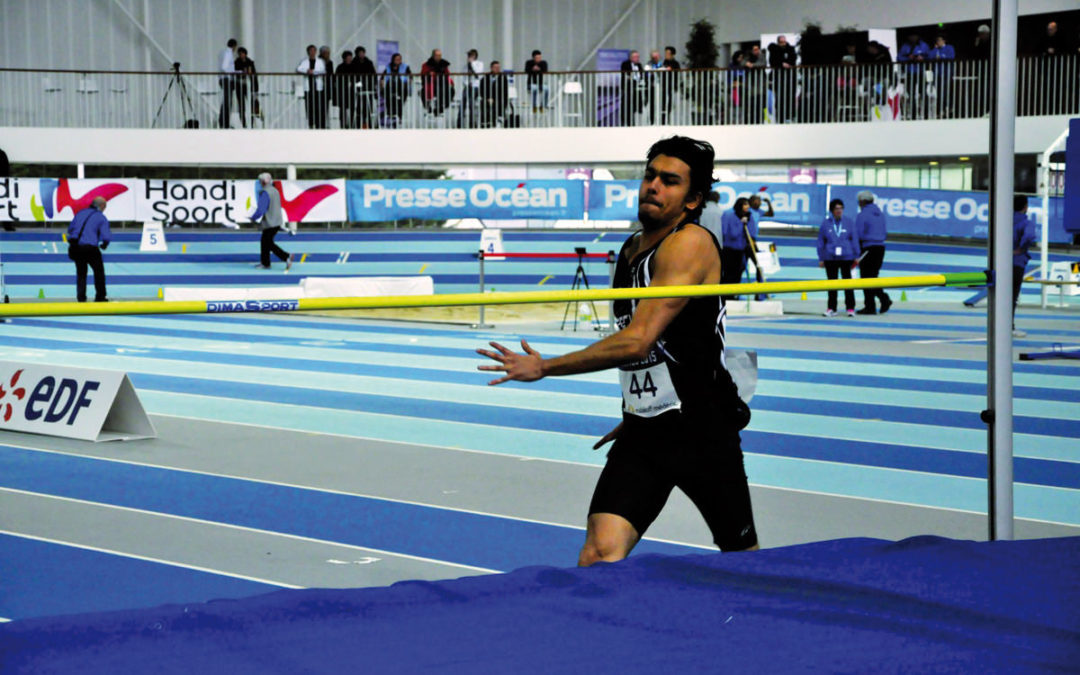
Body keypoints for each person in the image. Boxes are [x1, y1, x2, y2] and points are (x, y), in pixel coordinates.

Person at [477, 136, 758, 565]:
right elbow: (650, 351)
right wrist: (636, 411)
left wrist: (546, 367)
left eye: (669, 181)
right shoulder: (630, 249)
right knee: (599, 552)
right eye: (649, 176)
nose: (653, 187)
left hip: (702, 431)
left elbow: (638, 340)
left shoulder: (690, 243)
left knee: (743, 559)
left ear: (693, 198)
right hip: (645, 432)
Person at [817, 198, 859, 317]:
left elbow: (854, 239)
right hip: (830, 257)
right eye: (836, 208)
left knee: (848, 283)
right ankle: (831, 308)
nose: (839, 211)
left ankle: (850, 308)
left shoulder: (849, 222)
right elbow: (820, 241)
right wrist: (821, 258)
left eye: (841, 208)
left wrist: (857, 255)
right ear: (832, 210)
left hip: (846, 257)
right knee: (832, 284)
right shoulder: (826, 224)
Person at [854, 191, 892, 315]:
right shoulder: (880, 214)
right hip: (880, 247)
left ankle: (873, 304)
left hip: (868, 248)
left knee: (866, 278)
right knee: (873, 276)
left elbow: (858, 234)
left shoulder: (863, 215)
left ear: (862, 201)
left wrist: (855, 251)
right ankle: (881, 299)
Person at [67, 196, 111, 302]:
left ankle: (81, 297)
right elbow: (106, 236)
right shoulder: (100, 217)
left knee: (81, 273)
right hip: (90, 248)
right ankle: (100, 296)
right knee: (99, 272)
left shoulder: (80, 213)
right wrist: (104, 244)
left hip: (76, 247)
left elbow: (70, 229)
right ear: (102, 206)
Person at [250, 173, 292, 271]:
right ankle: (266, 263)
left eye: (260, 181)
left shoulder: (265, 192)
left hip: (269, 222)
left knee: (267, 243)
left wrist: (253, 217)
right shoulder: (275, 191)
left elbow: (261, 209)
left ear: (263, 181)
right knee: (265, 242)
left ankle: (286, 257)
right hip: (277, 221)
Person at [1011, 195, 1037, 338]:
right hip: (1017, 262)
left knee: (998, 295)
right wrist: (1020, 249)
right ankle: (1009, 326)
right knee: (1012, 296)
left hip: (1000, 261)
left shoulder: (1003, 219)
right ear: (1025, 207)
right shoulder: (1026, 222)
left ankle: (997, 324)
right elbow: (1029, 236)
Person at [719, 197, 751, 296]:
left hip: (740, 249)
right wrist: (742, 223)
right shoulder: (730, 215)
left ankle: (733, 294)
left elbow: (751, 233)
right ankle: (726, 296)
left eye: (748, 204)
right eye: (745, 204)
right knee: (729, 274)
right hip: (730, 249)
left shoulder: (747, 216)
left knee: (737, 272)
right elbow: (732, 234)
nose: (747, 207)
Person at [897, 33, 930, 119]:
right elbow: (899, 57)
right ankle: (913, 114)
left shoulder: (924, 45)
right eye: (910, 36)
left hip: (921, 72)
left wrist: (922, 58)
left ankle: (926, 114)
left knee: (923, 94)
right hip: (909, 72)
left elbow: (929, 56)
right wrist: (909, 58)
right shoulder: (905, 46)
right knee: (911, 94)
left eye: (914, 35)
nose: (912, 37)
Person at [296, 44, 328, 129]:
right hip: (309, 87)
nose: (312, 52)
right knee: (309, 107)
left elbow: (323, 70)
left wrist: (313, 72)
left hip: (318, 88)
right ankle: (311, 124)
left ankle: (319, 125)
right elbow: (299, 69)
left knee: (319, 106)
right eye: (311, 51)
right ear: (308, 52)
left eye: (314, 50)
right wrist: (307, 71)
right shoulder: (304, 62)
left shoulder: (320, 61)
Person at [767, 35, 797, 123]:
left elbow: (793, 59)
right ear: (778, 42)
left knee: (790, 97)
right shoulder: (774, 49)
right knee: (780, 98)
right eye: (781, 42)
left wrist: (786, 63)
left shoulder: (791, 49)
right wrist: (781, 63)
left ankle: (790, 117)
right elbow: (773, 61)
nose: (783, 44)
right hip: (779, 78)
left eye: (784, 42)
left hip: (790, 77)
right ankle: (780, 118)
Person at [928, 34, 955, 119]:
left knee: (946, 91)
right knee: (939, 92)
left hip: (946, 73)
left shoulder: (949, 48)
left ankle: (948, 108)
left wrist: (942, 57)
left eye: (940, 40)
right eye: (937, 40)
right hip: (938, 74)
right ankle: (941, 109)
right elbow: (930, 56)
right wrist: (935, 49)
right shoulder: (935, 50)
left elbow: (951, 56)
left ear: (944, 41)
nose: (938, 42)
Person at [382, 53, 411, 127]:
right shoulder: (388, 66)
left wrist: (408, 83)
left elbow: (410, 77)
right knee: (390, 101)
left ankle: (398, 117)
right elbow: (382, 77)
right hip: (390, 88)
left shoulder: (405, 67)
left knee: (399, 102)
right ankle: (390, 116)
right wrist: (382, 86)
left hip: (402, 88)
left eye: (400, 59)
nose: (398, 60)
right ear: (393, 60)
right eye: (397, 59)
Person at [458, 49, 484, 128]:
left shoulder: (480, 64)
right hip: (467, 87)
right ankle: (459, 122)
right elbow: (464, 78)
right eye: (468, 55)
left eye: (471, 55)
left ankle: (472, 123)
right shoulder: (465, 66)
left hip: (476, 87)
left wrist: (471, 64)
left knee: (471, 101)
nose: (469, 57)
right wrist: (466, 84)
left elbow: (478, 75)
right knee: (463, 101)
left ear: (475, 56)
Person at [421, 49, 453, 116]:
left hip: (443, 82)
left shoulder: (444, 64)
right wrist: (429, 73)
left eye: (440, 55)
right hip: (431, 83)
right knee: (434, 90)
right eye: (437, 55)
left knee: (451, 90)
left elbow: (447, 74)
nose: (438, 57)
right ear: (433, 56)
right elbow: (423, 74)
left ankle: (441, 107)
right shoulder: (426, 64)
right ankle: (434, 108)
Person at [234, 47, 259, 128]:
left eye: (242, 53)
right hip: (240, 85)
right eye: (240, 54)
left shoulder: (250, 62)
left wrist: (255, 88)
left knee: (251, 105)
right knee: (241, 105)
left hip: (248, 86)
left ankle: (251, 123)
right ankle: (243, 123)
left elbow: (254, 75)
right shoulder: (236, 62)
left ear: (245, 54)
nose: (241, 55)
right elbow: (235, 72)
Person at [620, 50, 647, 126]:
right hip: (628, 88)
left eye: (638, 57)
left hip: (638, 89)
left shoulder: (639, 65)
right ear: (630, 57)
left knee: (638, 106)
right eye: (635, 57)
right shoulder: (625, 64)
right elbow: (626, 75)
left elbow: (642, 75)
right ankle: (628, 123)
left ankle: (638, 123)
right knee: (628, 106)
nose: (637, 58)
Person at [479, 60, 509, 127]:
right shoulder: (485, 77)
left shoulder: (503, 77)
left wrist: (494, 98)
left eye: (498, 67)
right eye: (495, 67)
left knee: (500, 102)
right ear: (491, 68)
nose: (497, 69)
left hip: (499, 98)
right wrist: (488, 98)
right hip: (488, 98)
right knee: (483, 103)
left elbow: (504, 91)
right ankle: (485, 122)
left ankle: (498, 120)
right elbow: (482, 90)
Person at [353, 46, 378, 128]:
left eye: (363, 53)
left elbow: (373, 74)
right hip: (359, 87)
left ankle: (369, 125)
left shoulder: (369, 62)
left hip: (369, 87)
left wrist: (374, 84)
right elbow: (354, 76)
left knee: (369, 106)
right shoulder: (354, 62)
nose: (361, 54)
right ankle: (358, 124)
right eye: (360, 53)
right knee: (359, 106)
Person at [217, 38, 239, 128]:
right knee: (227, 101)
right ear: (234, 46)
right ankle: (224, 122)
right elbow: (224, 67)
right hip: (227, 79)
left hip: (223, 79)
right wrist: (236, 72)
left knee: (226, 101)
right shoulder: (228, 54)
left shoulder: (223, 53)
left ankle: (223, 121)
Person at [335, 50, 359, 128]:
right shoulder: (340, 67)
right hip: (342, 91)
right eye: (348, 57)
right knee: (343, 109)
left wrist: (354, 84)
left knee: (352, 108)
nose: (349, 59)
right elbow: (336, 79)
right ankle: (343, 125)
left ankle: (352, 124)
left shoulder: (354, 67)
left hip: (352, 91)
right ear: (344, 58)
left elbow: (357, 78)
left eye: (350, 57)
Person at [660, 46, 680, 124]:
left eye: (668, 53)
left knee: (671, 102)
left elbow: (676, 74)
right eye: (666, 53)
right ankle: (663, 120)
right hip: (664, 85)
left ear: (672, 54)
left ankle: (669, 119)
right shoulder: (664, 62)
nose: (666, 55)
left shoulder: (676, 63)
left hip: (672, 86)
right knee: (663, 102)